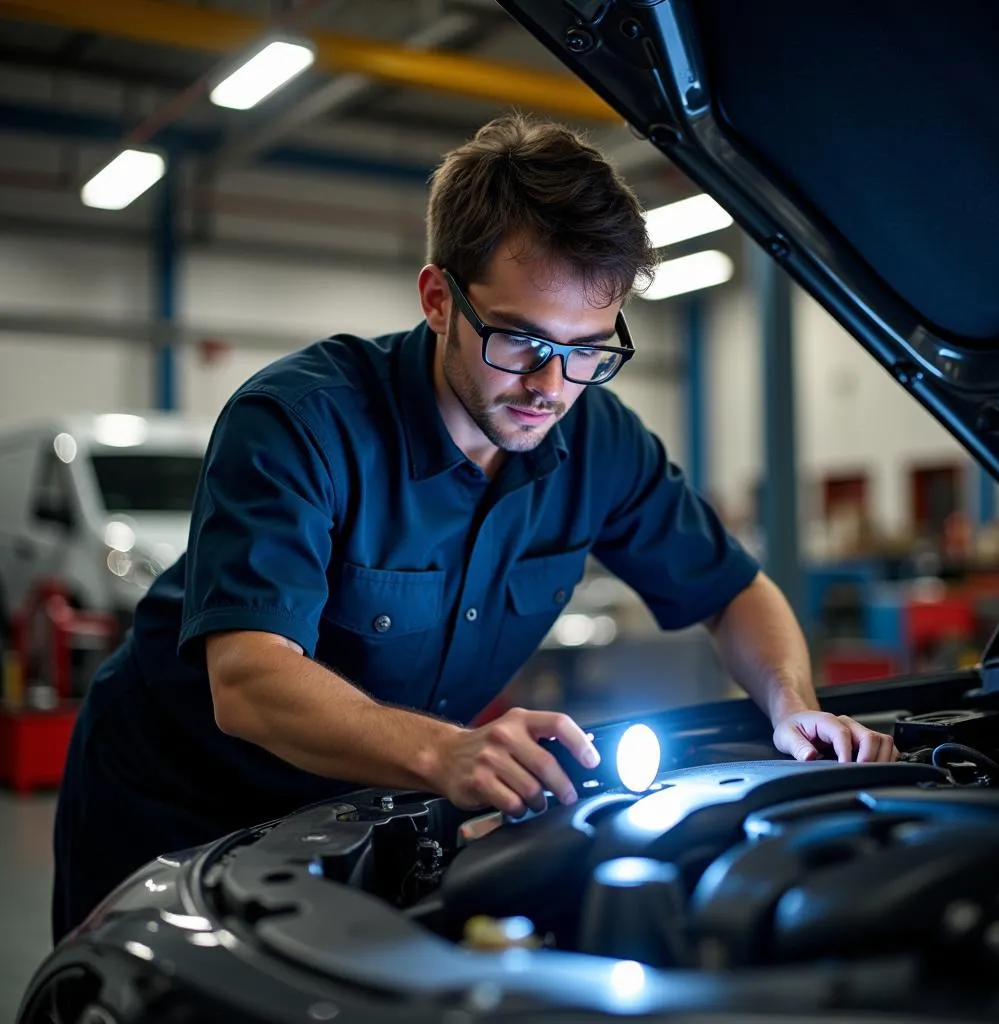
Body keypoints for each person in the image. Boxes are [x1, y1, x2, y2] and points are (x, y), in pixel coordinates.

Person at [51, 114, 896, 943]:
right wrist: (447, 755)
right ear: (437, 299)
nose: (551, 386)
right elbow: (250, 682)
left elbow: (735, 591)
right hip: (174, 806)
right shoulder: (300, 422)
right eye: (521, 339)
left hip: (366, 804)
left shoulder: (599, 443)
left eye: (588, 350)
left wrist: (792, 705)